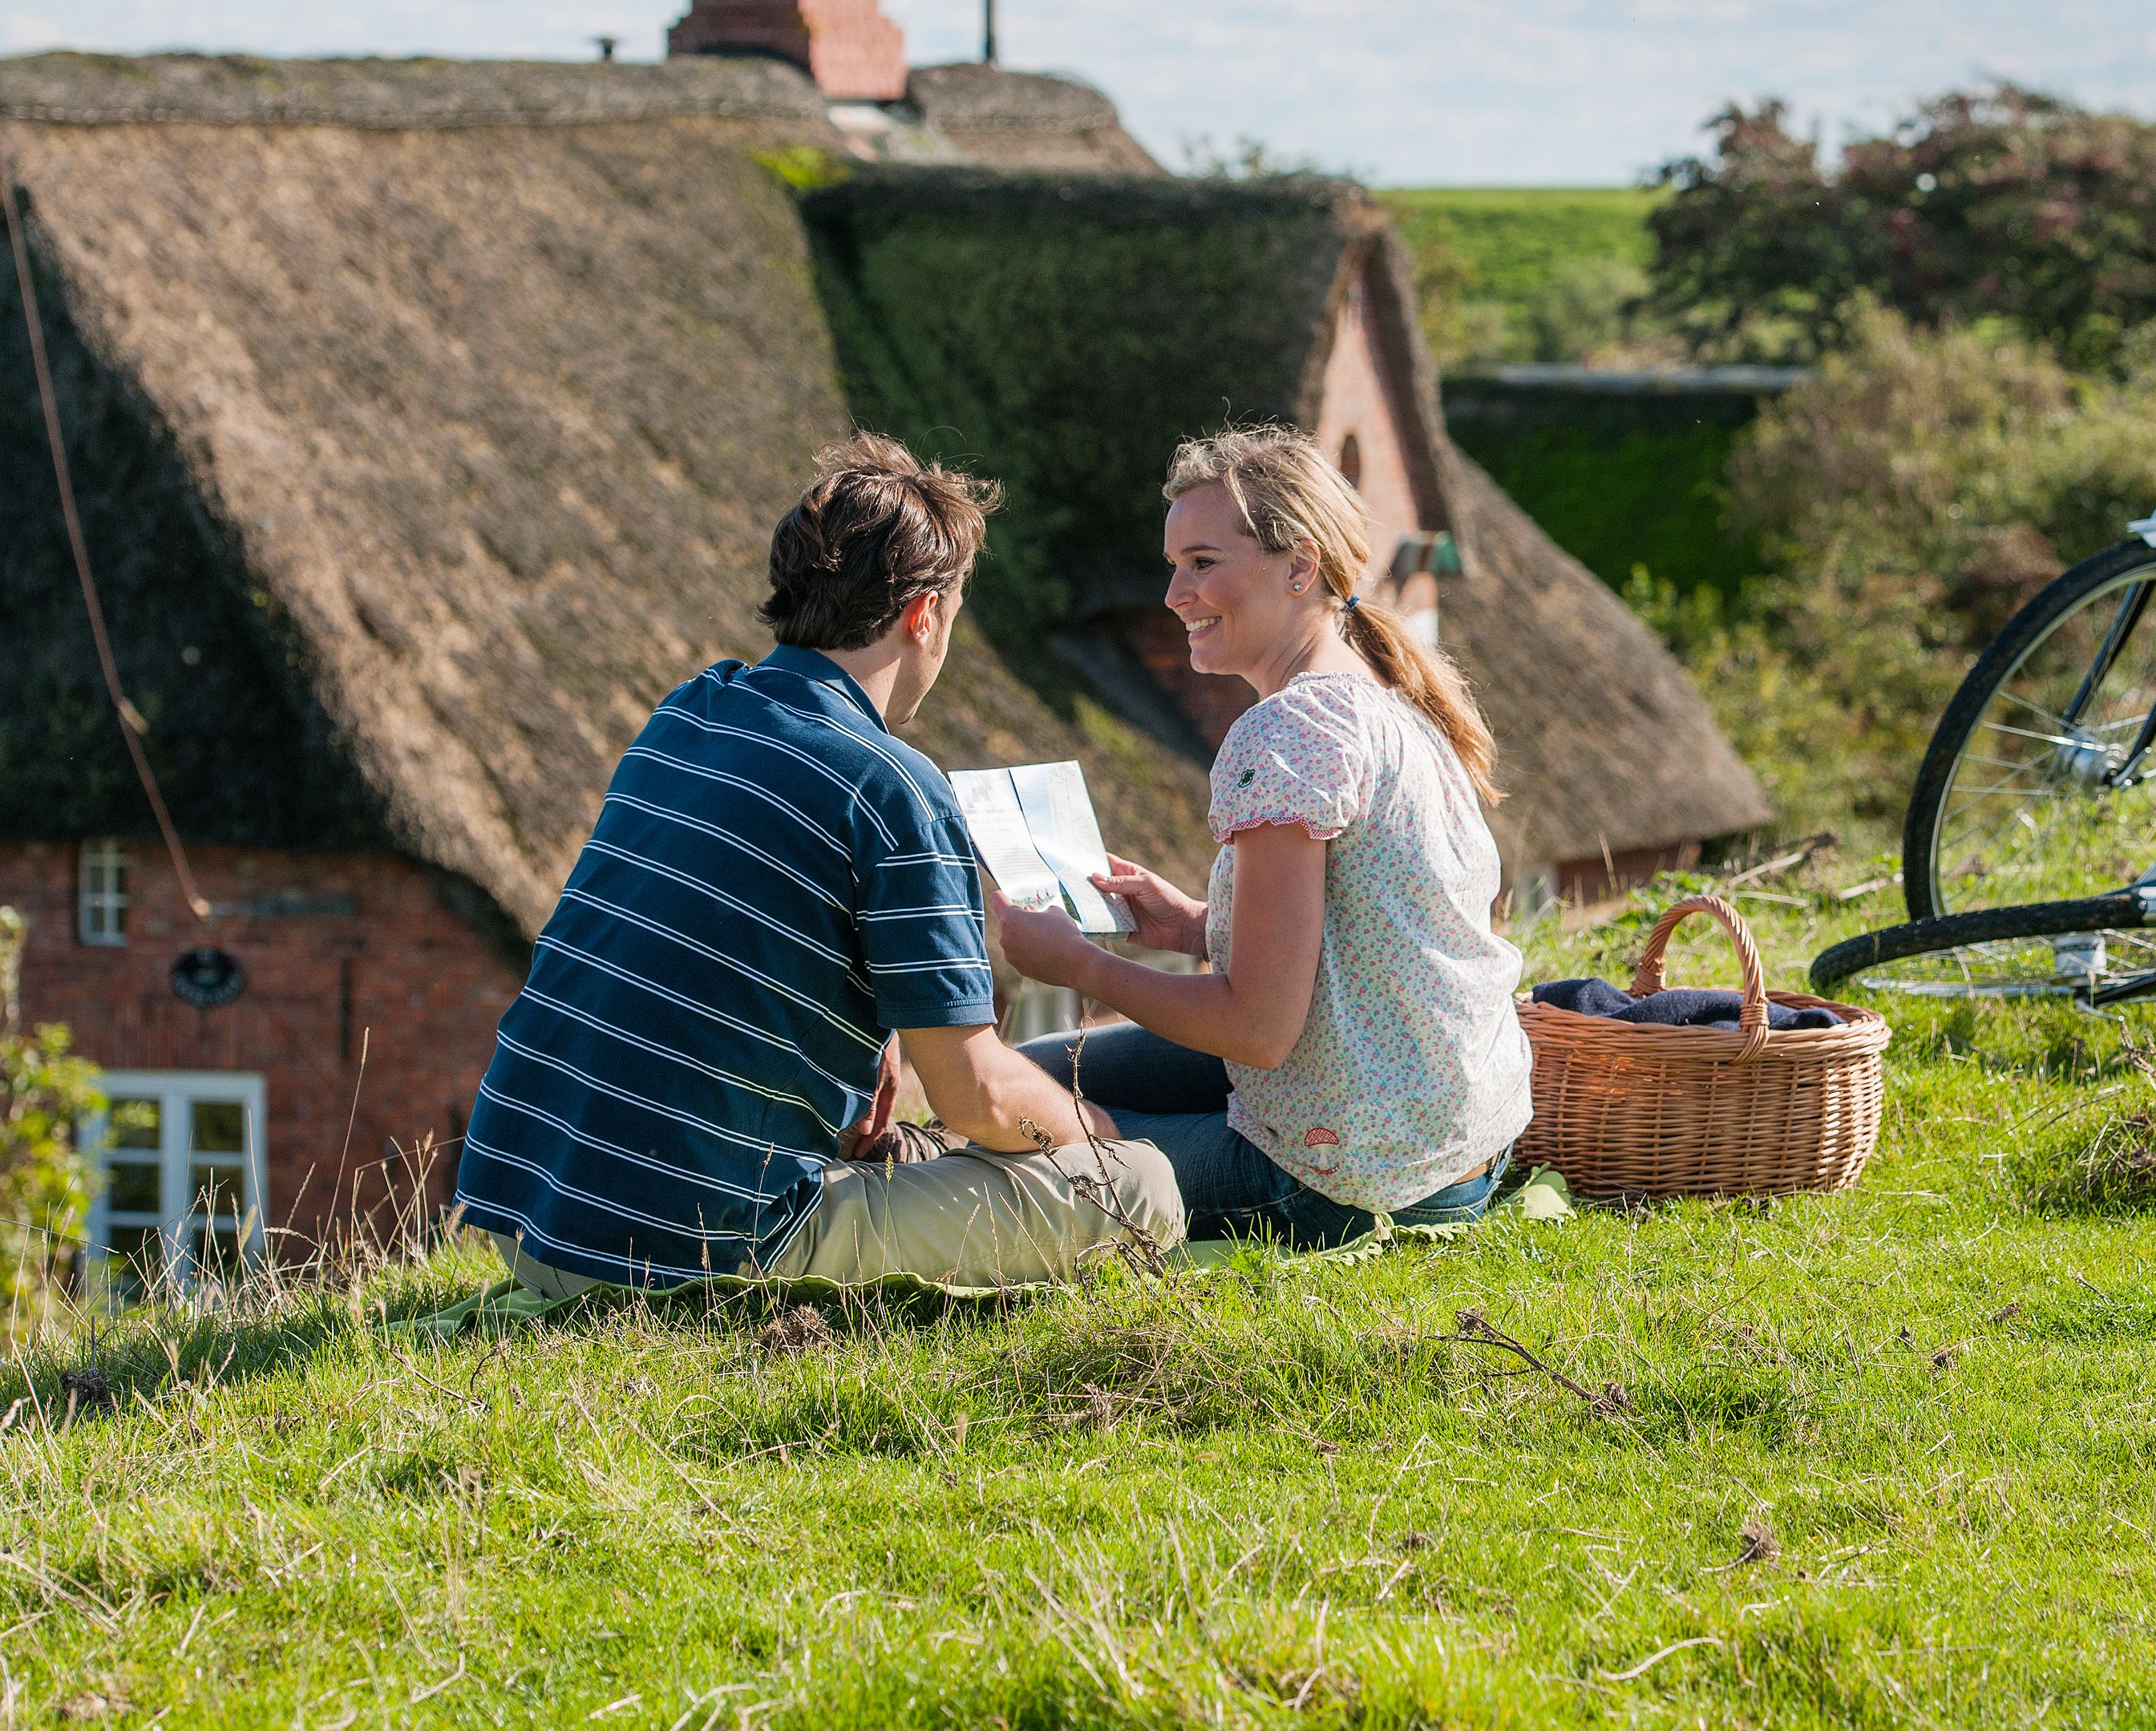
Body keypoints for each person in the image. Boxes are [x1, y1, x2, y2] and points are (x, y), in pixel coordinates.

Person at [453, 433, 1181, 1296]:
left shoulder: (690, 712)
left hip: (535, 1219)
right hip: (685, 1254)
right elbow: (973, 1095)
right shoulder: (894, 785)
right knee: (1145, 1189)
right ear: (923, 614)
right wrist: (1087, 1127)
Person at [993, 426, 1531, 1249]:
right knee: (1031, 1073)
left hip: (1342, 1176)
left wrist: (1082, 964)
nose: (1175, 593)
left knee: (1007, 1110)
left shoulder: (1290, 728)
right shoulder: (1385, 698)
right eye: (1174, 564)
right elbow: (1368, 934)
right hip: (1456, 1148)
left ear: (1299, 566)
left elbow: (1257, 1029)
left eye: (1202, 563)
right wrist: (1191, 924)